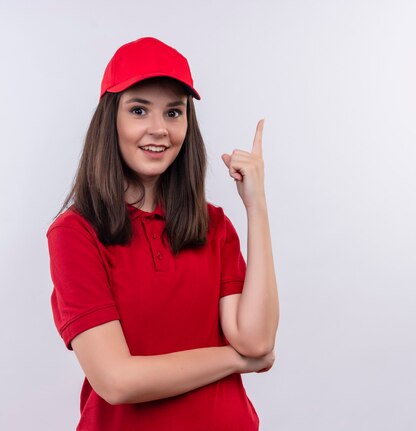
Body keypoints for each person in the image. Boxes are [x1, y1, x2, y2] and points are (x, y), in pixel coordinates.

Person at [46, 36, 279, 431]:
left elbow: (255, 340)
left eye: (174, 113)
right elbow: (116, 381)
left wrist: (256, 206)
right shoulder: (75, 233)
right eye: (139, 110)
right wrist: (236, 361)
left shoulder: (213, 225)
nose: (159, 129)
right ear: (111, 121)